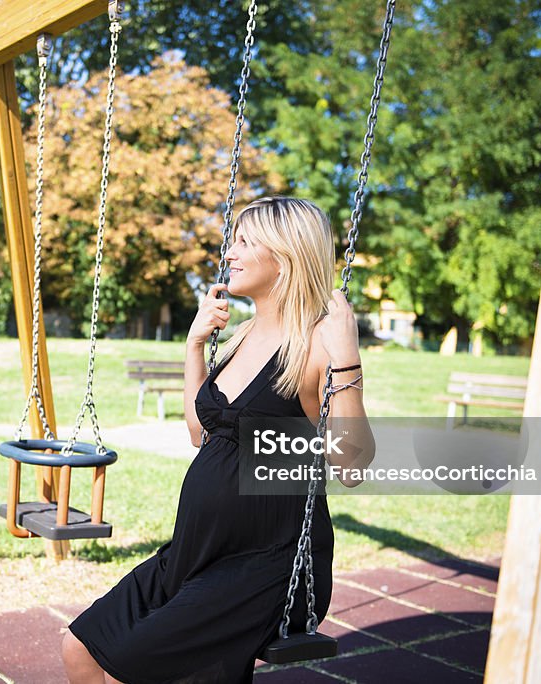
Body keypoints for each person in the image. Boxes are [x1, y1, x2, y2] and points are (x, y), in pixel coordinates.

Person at [62, 196, 376, 683]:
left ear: (286, 255)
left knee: (131, 668)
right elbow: (199, 433)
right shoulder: (242, 336)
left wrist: (348, 359)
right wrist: (194, 344)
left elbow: (352, 467)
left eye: (245, 241)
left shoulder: (316, 343)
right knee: (79, 647)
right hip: (195, 550)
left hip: (267, 562)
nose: (229, 251)